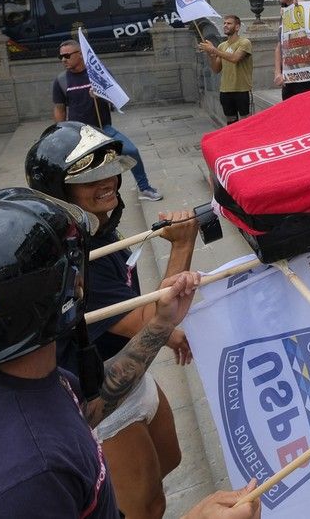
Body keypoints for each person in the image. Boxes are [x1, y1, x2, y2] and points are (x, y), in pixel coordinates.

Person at [0, 188, 259, 519]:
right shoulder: (31, 479)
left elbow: (85, 409)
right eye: (75, 270)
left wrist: (162, 323)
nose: (81, 281)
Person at [26, 122, 200, 519]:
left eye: (109, 171)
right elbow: (147, 319)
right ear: (58, 188)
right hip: (99, 400)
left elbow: (133, 317)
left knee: (168, 461)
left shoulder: (99, 228)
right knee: (146, 507)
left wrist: (167, 334)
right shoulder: (78, 257)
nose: (106, 183)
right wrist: (183, 245)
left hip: (132, 375)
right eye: (89, 177)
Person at [53, 40, 163, 201]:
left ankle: (144, 188)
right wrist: (60, 132)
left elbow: (115, 100)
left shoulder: (98, 74)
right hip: (79, 134)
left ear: (81, 54)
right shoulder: (61, 80)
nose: (63, 59)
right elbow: (59, 108)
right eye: (60, 56)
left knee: (131, 151)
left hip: (103, 129)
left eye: (67, 55)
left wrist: (101, 95)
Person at [270, 0, 310, 100]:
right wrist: (278, 72)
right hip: (289, 78)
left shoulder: (307, 9)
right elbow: (280, 45)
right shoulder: (284, 12)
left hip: (308, 78)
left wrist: (303, 8)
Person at [200, 15, 253, 125]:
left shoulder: (244, 42)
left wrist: (214, 50)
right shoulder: (221, 46)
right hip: (225, 90)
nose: (225, 25)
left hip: (241, 90)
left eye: (229, 23)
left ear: (237, 27)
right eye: (224, 23)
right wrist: (211, 54)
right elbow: (216, 69)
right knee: (231, 122)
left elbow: (235, 58)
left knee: (245, 122)